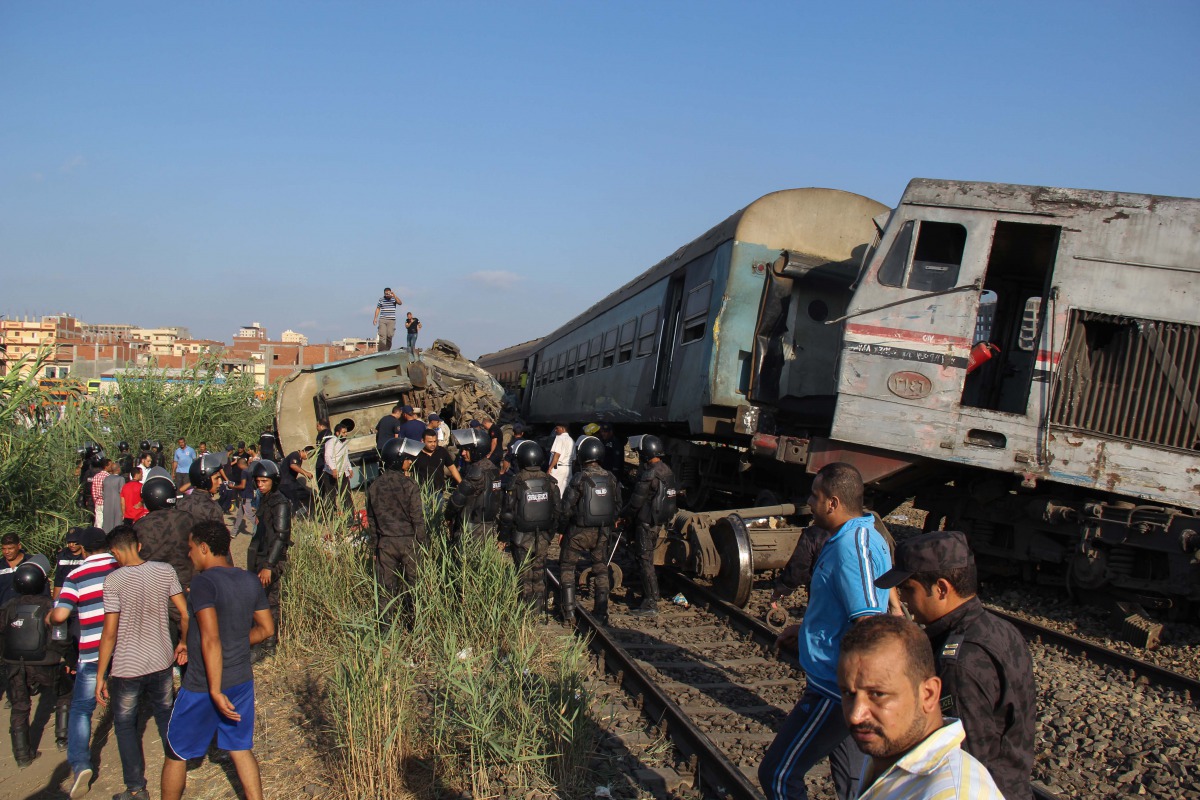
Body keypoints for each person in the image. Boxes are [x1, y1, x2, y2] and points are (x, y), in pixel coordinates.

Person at [759, 462, 891, 800]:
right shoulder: (850, 537)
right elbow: (847, 610)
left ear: (832, 503)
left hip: (835, 691)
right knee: (855, 788)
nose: (810, 503)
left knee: (777, 774)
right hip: (843, 689)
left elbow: (869, 624)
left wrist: (854, 694)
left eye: (815, 497)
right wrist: (805, 630)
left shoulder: (853, 547)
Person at [875, 530, 1035, 800]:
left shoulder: (960, 663)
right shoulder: (999, 629)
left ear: (941, 588)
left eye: (909, 590)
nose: (905, 601)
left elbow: (964, 761)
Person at [163, 521, 273, 800]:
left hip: (203, 684)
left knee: (176, 752)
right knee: (239, 747)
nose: (189, 555)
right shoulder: (249, 579)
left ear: (203, 548)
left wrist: (213, 689)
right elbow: (266, 630)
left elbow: (211, 638)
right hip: (241, 679)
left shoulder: (203, 582)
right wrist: (235, 641)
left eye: (191, 549)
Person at [839, 614, 1004, 799]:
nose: (856, 715)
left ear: (929, 694)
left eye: (877, 695)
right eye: (848, 693)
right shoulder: (889, 753)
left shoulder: (954, 795)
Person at [96, 526, 188, 800]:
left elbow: (110, 633)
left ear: (114, 552)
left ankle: (136, 788)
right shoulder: (165, 570)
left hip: (127, 666)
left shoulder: (113, 581)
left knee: (125, 725)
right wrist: (182, 642)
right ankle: (177, 765)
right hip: (161, 660)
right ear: (138, 545)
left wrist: (101, 675)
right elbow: (184, 613)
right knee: (165, 715)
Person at [49, 526, 118, 799]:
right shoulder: (120, 566)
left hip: (92, 651)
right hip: (124, 649)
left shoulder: (75, 575)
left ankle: (80, 764)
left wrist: (51, 615)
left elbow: (61, 614)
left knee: (80, 709)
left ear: (85, 550)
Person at [2, 554, 70, 767]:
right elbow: (61, 637)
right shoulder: (50, 605)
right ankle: (62, 738)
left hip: (15, 664)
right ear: (42, 582)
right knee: (64, 694)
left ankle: (22, 756)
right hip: (46, 662)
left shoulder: (7, 607)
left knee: (20, 706)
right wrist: (68, 658)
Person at [558, 436, 620, 625]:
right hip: (602, 532)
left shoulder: (579, 478)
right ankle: (601, 612)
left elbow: (566, 508)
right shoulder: (611, 478)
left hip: (579, 532)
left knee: (567, 567)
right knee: (601, 570)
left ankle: (568, 611)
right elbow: (617, 506)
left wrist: (562, 529)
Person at [621, 435, 677, 617]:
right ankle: (653, 594)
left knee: (645, 560)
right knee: (648, 559)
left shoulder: (649, 474)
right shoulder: (667, 471)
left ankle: (650, 602)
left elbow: (636, 502)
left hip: (646, 522)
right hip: (659, 521)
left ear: (646, 453)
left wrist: (623, 515)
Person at [501, 440, 560, 613]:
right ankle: (539, 607)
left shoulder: (516, 481)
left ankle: (526, 610)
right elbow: (558, 511)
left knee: (524, 573)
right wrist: (550, 533)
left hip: (521, 535)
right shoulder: (550, 482)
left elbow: (507, 512)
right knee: (539, 572)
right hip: (542, 535)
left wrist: (503, 536)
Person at [368, 438, 427, 599]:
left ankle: (386, 623)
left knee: (385, 590)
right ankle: (414, 621)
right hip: (409, 543)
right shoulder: (410, 485)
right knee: (414, 588)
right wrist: (423, 544)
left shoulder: (374, 486)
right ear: (398, 460)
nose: (409, 462)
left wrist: (374, 547)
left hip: (385, 543)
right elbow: (417, 518)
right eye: (407, 458)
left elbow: (372, 520)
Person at [246, 460, 291, 661]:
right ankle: (265, 645)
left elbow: (281, 536)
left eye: (264, 481)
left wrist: (269, 566)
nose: (260, 485)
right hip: (262, 557)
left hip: (270, 561)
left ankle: (269, 646)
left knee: (269, 602)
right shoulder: (264, 499)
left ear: (274, 480)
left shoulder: (280, 502)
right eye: (258, 481)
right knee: (260, 601)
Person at [447, 427, 500, 543]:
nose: (463, 453)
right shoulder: (492, 468)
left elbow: (457, 500)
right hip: (488, 526)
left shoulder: (477, 471)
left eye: (467, 449)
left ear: (477, 450)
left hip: (471, 528)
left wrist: (448, 516)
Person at [176, 453, 227, 532]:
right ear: (205, 480)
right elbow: (220, 540)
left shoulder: (181, 503)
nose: (220, 482)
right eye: (216, 478)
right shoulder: (213, 508)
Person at [413, 429, 461, 497]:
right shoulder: (416, 453)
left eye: (435, 441)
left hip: (438, 492)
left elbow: (452, 468)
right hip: (421, 492)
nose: (433, 444)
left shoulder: (441, 451)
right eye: (429, 442)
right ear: (422, 441)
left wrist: (460, 483)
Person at [321, 421, 355, 514]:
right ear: (337, 433)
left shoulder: (344, 443)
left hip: (343, 473)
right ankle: (330, 515)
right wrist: (333, 469)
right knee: (331, 495)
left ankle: (350, 514)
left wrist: (350, 468)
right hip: (331, 473)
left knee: (346, 494)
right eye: (343, 432)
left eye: (346, 432)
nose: (346, 434)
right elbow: (327, 457)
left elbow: (345, 457)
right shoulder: (331, 442)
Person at [53, 528, 87, 600]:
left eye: (75, 542)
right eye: (69, 542)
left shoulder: (87, 555)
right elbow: (58, 581)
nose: (71, 545)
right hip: (66, 593)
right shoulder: (62, 555)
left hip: (83, 592)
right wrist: (55, 603)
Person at [0, 532, 32, 608]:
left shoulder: (32, 563)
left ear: (19, 546)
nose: (6, 552)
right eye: (4, 549)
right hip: (3, 614)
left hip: (27, 611)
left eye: (10, 548)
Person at [279, 446, 315, 513]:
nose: (308, 458)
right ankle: (294, 516)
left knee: (306, 495)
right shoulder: (295, 455)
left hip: (290, 482)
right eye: (309, 456)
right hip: (286, 483)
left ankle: (301, 513)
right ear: (306, 452)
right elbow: (293, 466)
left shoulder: (299, 458)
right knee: (293, 500)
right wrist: (306, 473)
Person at [231, 456, 257, 537]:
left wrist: (233, 487)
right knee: (239, 515)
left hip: (246, 496)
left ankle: (260, 530)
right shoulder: (250, 470)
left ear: (239, 464)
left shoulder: (244, 472)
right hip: (247, 494)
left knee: (249, 514)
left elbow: (242, 486)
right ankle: (233, 533)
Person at [101, 459, 126, 533]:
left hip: (107, 504)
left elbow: (103, 493)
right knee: (117, 524)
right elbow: (122, 493)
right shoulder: (121, 479)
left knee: (107, 524)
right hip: (117, 504)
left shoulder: (106, 479)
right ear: (118, 469)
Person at [548, 423, 573, 496]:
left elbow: (557, 455)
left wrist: (550, 468)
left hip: (558, 469)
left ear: (563, 429)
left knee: (555, 491)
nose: (555, 430)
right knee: (565, 492)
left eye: (557, 428)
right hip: (568, 468)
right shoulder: (571, 440)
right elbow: (573, 459)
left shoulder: (559, 438)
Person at [373, 287, 401, 351]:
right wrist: (375, 318)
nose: (387, 295)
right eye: (386, 294)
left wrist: (394, 296)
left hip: (391, 320)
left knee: (389, 335)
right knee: (382, 336)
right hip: (383, 319)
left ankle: (387, 350)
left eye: (389, 293)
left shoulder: (394, 299)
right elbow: (378, 308)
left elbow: (400, 303)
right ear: (384, 293)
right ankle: (382, 351)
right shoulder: (381, 299)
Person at [90, 459, 109, 528]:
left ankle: (98, 535)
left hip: (98, 502)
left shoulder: (96, 476)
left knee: (98, 521)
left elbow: (93, 491)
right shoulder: (108, 477)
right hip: (106, 502)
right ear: (106, 466)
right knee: (107, 521)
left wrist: (96, 500)